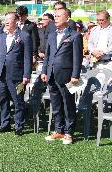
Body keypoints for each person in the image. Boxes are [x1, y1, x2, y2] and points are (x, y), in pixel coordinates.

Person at [42, 8, 83, 145]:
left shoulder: (75, 36)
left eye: (59, 16)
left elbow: (78, 58)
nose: (56, 18)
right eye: (55, 16)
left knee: (68, 104)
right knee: (56, 104)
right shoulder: (52, 35)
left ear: (67, 19)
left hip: (66, 75)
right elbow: (47, 56)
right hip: (51, 75)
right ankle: (58, 130)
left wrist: (75, 75)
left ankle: (69, 132)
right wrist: (44, 71)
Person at [0, 12, 32, 136]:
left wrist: (26, 75)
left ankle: (19, 125)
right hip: (2, 74)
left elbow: (27, 57)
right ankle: (5, 124)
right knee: (3, 99)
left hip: (17, 74)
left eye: (10, 19)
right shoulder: (2, 36)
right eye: (6, 19)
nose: (7, 22)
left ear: (17, 21)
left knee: (18, 101)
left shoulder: (24, 36)